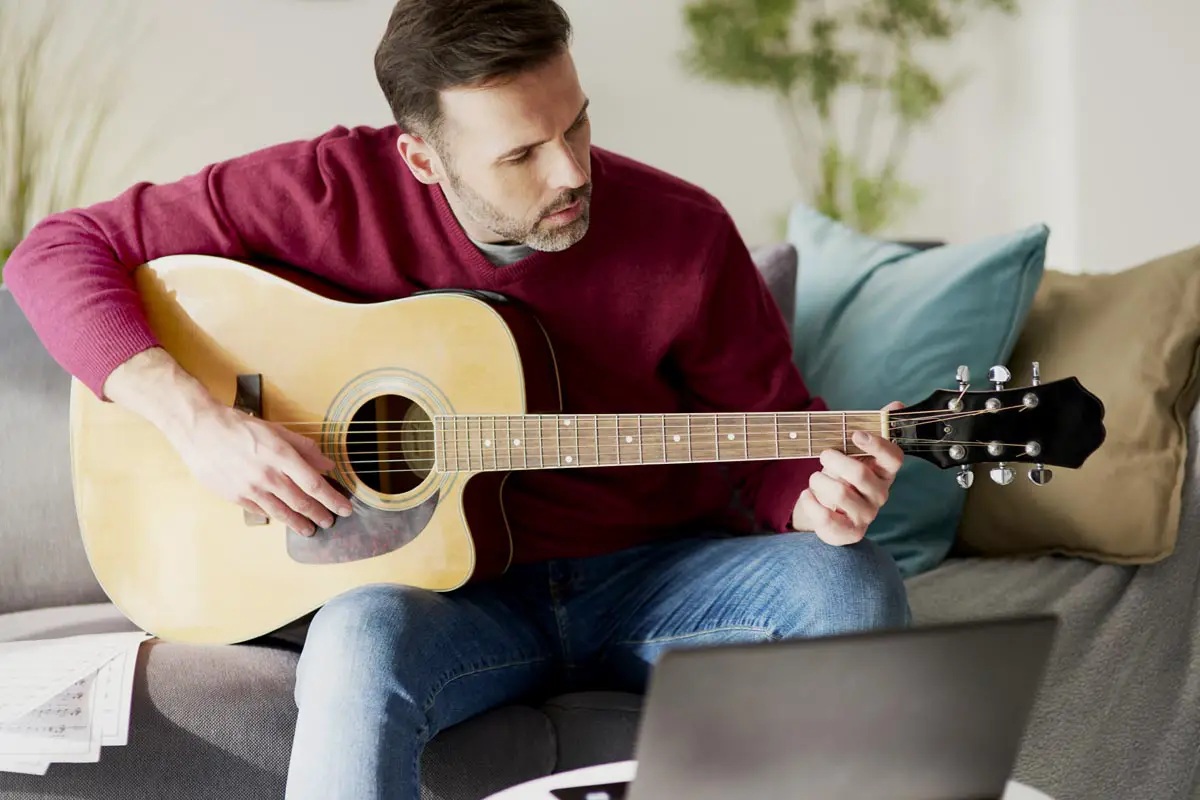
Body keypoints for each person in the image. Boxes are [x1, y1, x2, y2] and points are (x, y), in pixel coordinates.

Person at [4, 1, 909, 798]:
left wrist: (819, 498)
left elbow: (775, 441)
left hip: (655, 579)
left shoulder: (684, 232)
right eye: (520, 154)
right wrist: (197, 422)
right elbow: (54, 251)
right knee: (360, 638)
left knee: (849, 580)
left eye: (578, 126)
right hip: (446, 599)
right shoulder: (323, 192)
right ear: (421, 158)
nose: (571, 173)